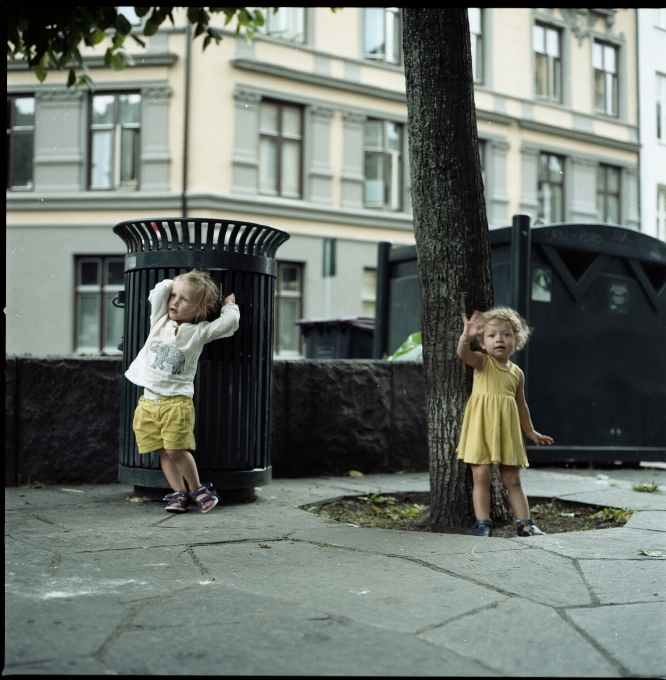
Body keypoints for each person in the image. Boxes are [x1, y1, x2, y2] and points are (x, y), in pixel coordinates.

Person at [125, 269, 240, 513]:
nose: (174, 301)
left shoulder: (198, 333)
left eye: (184, 299)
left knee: (176, 448)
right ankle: (179, 492)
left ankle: (198, 488)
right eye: (174, 295)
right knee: (163, 450)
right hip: (148, 401)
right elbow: (158, 292)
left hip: (176, 403)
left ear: (199, 309)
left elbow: (229, 323)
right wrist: (176, 284)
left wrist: (229, 305)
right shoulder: (160, 320)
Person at [456, 307, 553, 537]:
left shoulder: (517, 373)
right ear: (482, 342)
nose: (499, 339)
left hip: (506, 432)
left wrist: (530, 431)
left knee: (513, 479)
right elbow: (463, 354)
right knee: (482, 477)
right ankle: (483, 524)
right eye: (492, 335)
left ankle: (526, 525)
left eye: (506, 334)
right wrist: (465, 337)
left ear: (517, 340)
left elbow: (521, 404)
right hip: (481, 430)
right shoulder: (482, 363)